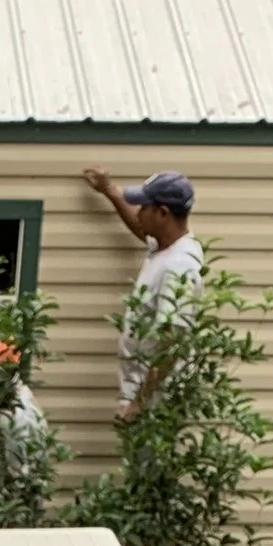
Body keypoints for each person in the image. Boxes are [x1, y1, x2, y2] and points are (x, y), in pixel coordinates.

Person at [81, 167, 203, 422]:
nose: (138, 213)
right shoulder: (166, 247)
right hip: (144, 396)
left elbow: (172, 343)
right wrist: (109, 191)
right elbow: (140, 229)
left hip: (157, 404)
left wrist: (139, 403)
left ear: (163, 213)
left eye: (144, 207)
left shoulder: (179, 267)